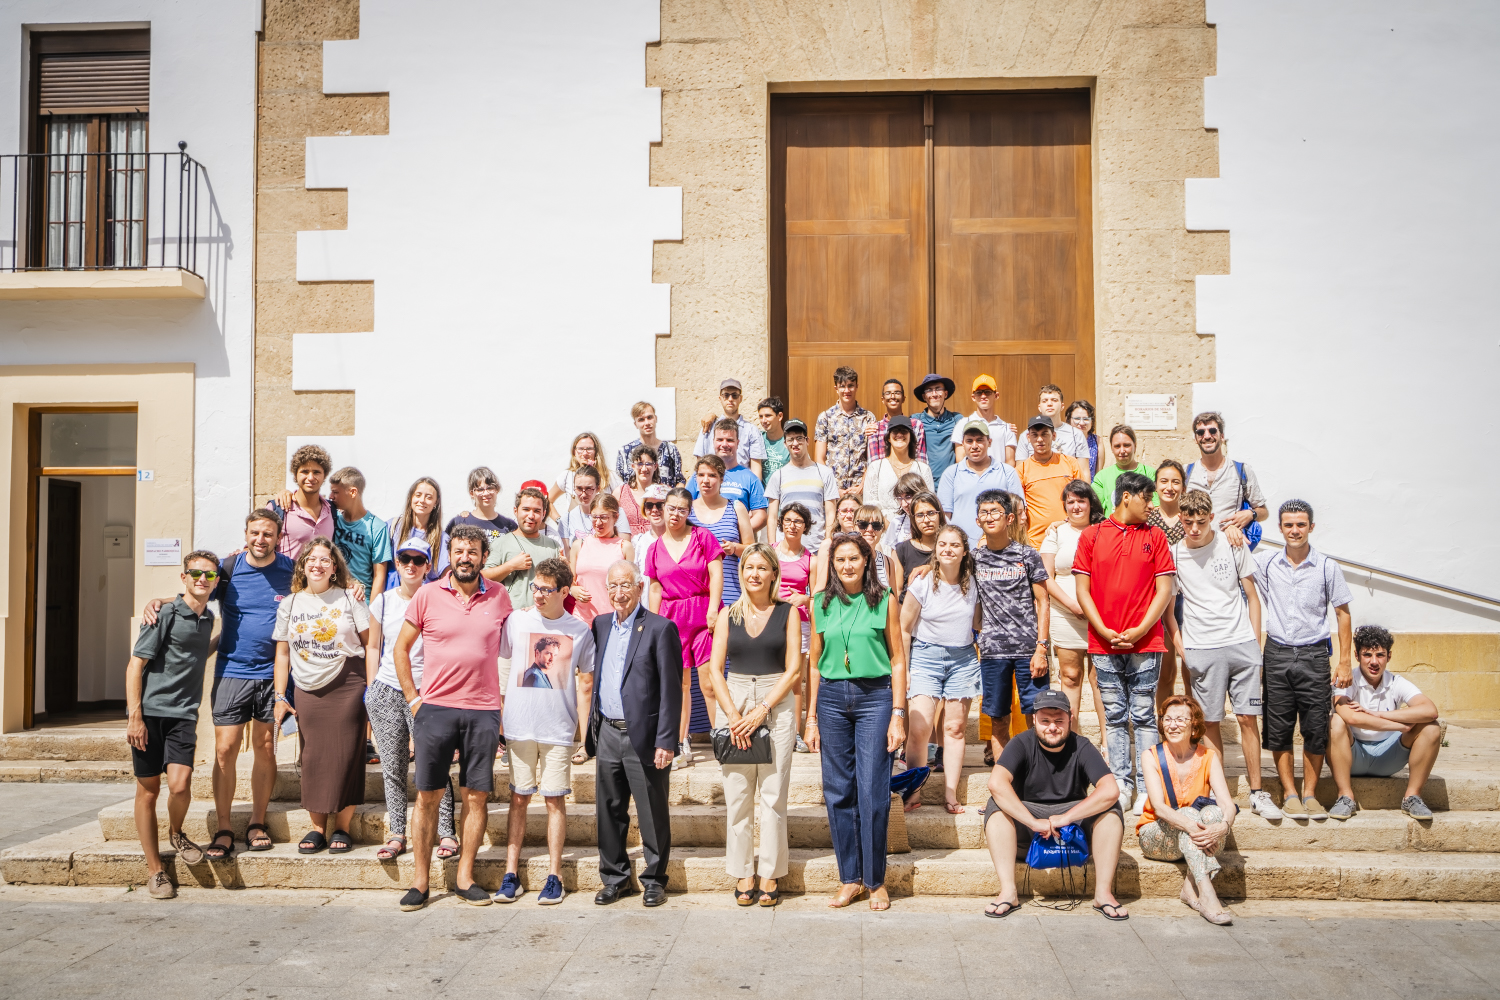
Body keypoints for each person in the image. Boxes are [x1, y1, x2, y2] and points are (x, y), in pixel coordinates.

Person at [139, 510, 291, 859]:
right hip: (231, 672)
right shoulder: (228, 569)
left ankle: (257, 822)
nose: (261, 539)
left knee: (266, 747)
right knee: (225, 750)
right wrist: (159, 601)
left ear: (278, 537)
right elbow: (196, 590)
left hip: (273, 673)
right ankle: (223, 828)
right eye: (255, 533)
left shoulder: (290, 570)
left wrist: (352, 585)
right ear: (246, 534)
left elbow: (322, 584)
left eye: (268, 534)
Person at [392, 526, 514, 911]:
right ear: (450, 554)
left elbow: (516, 645)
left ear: (483, 557)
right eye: (459, 551)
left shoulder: (500, 596)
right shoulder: (428, 594)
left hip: (483, 711)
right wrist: (414, 700)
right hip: (436, 710)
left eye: (472, 551)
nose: (465, 557)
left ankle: (465, 878)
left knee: (476, 796)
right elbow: (400, 649)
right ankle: (420, 882)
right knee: (428, 796)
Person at [806, 532, 907, 911]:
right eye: (840, 559)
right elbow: (814, 664)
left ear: (867, 561)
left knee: (873, 791)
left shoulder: (885, 600)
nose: (847, 565)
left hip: (875, 697)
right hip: (832, 698)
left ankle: (875, 880)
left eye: (854, 558)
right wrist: (811, 717)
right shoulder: (821, 603)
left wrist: (898, 714)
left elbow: (898, 660)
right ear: (831, 565)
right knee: (838, 791)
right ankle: (850, 878)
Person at [1166, 489, 1279, 819]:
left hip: (1241, 643)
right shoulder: (1174, 555)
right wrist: (1182, 649)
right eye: (1188, 522)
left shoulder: (1232, 543)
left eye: (1201, 522)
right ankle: (1220, 795)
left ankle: (1257, 792)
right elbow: (1169, 611)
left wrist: (1255, 645)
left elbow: (1253, 596)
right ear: (1181, 519)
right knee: (1210, 721)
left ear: (1212, 518)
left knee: (1247, 718)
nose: (1194, 529)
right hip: (1201, 648)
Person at [494, 557, 596, 905]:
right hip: (519, 727)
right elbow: (501, 659)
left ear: (565, 592)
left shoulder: (579, 630)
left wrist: (585, 735)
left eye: (546, 590)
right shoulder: (517, 620)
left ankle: (555, 876)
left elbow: (587, 681)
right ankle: (510, 874)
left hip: (557, 730)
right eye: (535, 587)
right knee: (518, 798)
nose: (537, 594)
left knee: (554, 800)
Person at [1072, 471, 1175, 814]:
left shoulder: (1156, 536)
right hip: (1103, 643)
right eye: (1147, 498)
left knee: (1144, 715)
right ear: (1127, 496)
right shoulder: (1091, 535)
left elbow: (1164, 589)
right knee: (1114, 716)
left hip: (1146, 643)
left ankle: (1147, 787)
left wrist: (1142, 628)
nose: (1152, 505)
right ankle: (1121, 783)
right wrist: (1101, 629)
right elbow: (1082, 589)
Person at [704, 544, 801, 906]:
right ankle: (743, 871)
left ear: (774, 573)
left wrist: (763, 708)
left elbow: (794, 668)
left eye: (762, 567)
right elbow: (715, 669)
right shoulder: (728, 614)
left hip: (776, 701)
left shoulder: (788, 613)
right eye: (748, 567)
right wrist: (732, 715)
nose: (754, 574)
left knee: (773, 795)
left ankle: (770, 872)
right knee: (738, 794)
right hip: (736, 698)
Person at [981, 689, 1128, 920]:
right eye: (1045, 721)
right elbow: (996, 783)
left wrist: (1066, 818)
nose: (1052, 727)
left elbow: (1110, 789)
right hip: (1028, 828)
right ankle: (1008, 892)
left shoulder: (1082, 746)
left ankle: (1103, 893)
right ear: (1034, 720)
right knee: (996, 805)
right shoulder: (1020, 743)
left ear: (1070, 718)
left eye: (1059, 721)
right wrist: (1033, 822)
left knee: (1111, 807)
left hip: (1072, 829)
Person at [123, 549, 220, 898]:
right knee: (148, 791)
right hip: (149, 714)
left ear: (216, 582)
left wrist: (228, 640)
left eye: (209, 575)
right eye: (195, 573)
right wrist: (135, 717)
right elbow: (135, 665)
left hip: (183, 714)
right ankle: (156, 871)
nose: (202, 579)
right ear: (184, 577)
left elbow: (196, 651)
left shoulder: (208, 618)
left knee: (180, 786)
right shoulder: (163, 613)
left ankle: (176, 833)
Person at [587, 560, 683, 907]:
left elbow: (671, 689)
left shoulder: (660, 628)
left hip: (644, 735)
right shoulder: (600, 625)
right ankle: (615, 879)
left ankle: (655, 880)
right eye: (613, 586)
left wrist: (666, 740)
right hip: (608, 732)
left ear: (640, 588)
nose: (619, 593)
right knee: (609, 810)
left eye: (626, 585)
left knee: (651, 811)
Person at [1254, 499, 1353, 821]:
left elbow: (1343, 614)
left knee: (1315, 727)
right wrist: (1236, 529)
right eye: (1288, 525)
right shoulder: (1266, 563)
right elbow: (1235, 560)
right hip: (1277, 653)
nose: (1294, 530)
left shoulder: (1326, 567)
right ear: (1280, 528)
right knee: (1278, 727)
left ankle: (1310, 793)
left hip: (1314, 655)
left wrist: (1345, 662)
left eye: (1300, 524)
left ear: (1311, 527)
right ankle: (1290, 794)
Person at [272, 538, 371, 856]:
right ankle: (317, 828)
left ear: (334, 568)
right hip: (306, 687)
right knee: (312, 756)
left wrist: (372, 686)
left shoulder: (350, 597)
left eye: (325, 560)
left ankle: (342, 827)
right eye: (311, 559)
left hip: (348, 683)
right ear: (302, 565)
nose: (317, 564)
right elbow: (282, 654)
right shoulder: (290, 604)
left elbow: (371, 643)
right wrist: (279, 696)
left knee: (348, 754)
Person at [365, 536, 458, 863]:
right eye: (405, 559)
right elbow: (373, 646)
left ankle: (446, 831)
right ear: (397, 562)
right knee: (392, 766)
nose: (411, 565)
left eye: (418, 560)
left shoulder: (438, 598)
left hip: (426, 691)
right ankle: (397, 832)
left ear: (428, 566)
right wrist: (371, 689)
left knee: (435, 763)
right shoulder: (384, 601)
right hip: (387, 689)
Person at [1137, 695, 1238, 925]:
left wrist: (1223, 827)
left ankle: (1189, 887)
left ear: (1194, 725)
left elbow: (1227, 803)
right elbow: (1159, 808)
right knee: (1189, 814)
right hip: (1157, 836)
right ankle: (1207, 893)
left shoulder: (1208, 757)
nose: (1172, 725)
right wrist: (1194, 827)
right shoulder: (1150, 756)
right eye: (1167, 719)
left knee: (1215, 814)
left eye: (1180, 720)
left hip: (1194, 838)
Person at [900, 524, 979, 814]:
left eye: (954, 545)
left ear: (965, 551)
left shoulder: (974, 583)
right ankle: (913, 791)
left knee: (955, 729)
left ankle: (950, 794)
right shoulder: (922, 582)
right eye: (942, 544)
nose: (947, 549)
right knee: (920, 727)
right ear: (935, 549)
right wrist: (905, 669)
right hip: (924, 656)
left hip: (963, 659)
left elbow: (979, 622)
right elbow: (903, 627)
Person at [646, 485, 725, 766]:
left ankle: (723, 740)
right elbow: (655, 588)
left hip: (703, 615)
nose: (676, 514)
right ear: (663, 509)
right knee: (678, 684)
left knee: (709, 682)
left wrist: (714, 609)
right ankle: (681, 743)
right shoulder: (654, 548)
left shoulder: (703, 537)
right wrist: (652, 625)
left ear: (689, 511)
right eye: (671, 508)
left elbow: (716, 574)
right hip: (671, 619)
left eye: (682, 509)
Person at [1328, 626, 1441, 821]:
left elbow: (1430, 711)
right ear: (1356, 655)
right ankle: (1345, 797)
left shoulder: (1396, 682)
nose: (1374, 661)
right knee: (1335, 721)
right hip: (1353, 756)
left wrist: (1377, 714)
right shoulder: (1346, 680)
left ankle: (1412, 797)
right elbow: (1351, 717)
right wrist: (1400, 725)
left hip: (1388, 757)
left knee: (1431, 728)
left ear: (1389, 656)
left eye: (1380, 655)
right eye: (1367, 655)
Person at [971, 491, 1050, 765]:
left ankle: (1037, 775)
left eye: (995, 511)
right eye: (984, 512)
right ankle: (1004, 778)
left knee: (1037, 714)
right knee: (998, 718)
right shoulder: (974, 558)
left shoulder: (1028, 555)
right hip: (992, 651)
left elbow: (1043, 601)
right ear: (978, 520)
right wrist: (924, 569)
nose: (989, 517)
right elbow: (943, 565)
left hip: (1028, 649)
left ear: (1010, 518)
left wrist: (1042, 648)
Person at [1040, 481, 1106, 735]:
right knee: (1069, 676)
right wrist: (1073, 605)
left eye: (1081, 501)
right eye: (1071, 501)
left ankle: (1108, 744)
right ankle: (1071, 743)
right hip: (1065, 614)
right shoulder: (1056, 533)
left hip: (1100, 615)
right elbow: (1046, 578)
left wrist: (1089, 608)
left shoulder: (1104, 530)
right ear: (1064, 505)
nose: (1076, 506)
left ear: (1091, 503)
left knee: (1101, 679)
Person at [937, 417, 1023, 550]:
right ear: (963, 444)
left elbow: (1018, 512)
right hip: (961, 550)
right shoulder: (951, 473)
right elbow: (944, 516)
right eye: (969, 441)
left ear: (989, 442)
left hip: (1000, 550)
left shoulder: (1007, 472)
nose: (974, 446)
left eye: (979, 440)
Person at [1184, 411, 1268, 542]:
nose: (1207, 436)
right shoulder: (1186, 472)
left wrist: (1250, 514)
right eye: (1200, 432)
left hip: (1230, 546)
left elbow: (1263, 511)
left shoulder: (1241, 470)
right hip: (1196, 547)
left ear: (1222, 436)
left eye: (1212, 431)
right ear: (1195, 439)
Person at [773, 503, 815, 753]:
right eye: (788, 520)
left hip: (799, 623)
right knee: (772, 675)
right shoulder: (770, 552)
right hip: (772, 620)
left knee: (796, 680)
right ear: (781, 523)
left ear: (805, 526)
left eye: (798, 521)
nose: (792, 525)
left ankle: (794, 734)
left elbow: (818, 596)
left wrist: (805, 598)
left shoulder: (810, 559)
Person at [688, 455, 754, 610]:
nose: (706, 480)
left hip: (729, 593)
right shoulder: (686, 510)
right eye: (701, 475)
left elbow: (752, 550)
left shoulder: (736, 507)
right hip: (694, 596)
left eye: (712, 475)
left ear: (722, 479)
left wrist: (734, 548)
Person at [1148, 458, 1188, 706]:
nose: (1169, 487)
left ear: (1183, 486)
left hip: (1190, 597)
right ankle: (1165, 721)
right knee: (1165, 670)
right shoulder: (1147, 519)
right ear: (1156, 485)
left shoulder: (1190, 518)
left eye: (1176, 482)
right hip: (1159, 596)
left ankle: (1194, 721)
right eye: (1164, 481)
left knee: (1191, 667)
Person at [1014, 414, 1085, 548]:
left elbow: (1082, 500)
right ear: (1028, 438)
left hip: (1068, 537)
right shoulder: (1021, 470)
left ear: (1054, 436)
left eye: (1044, 434)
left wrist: (1067, 523)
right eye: (1035, 435)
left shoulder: (1070, 463)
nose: (1040, 439)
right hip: (1035, 542)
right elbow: (1018, 510)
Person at [764, 418, 838, 546]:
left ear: (807, 441)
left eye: (799, 438)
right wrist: (772, 546)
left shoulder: (825, 473)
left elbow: (831, 513)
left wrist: (827, 543)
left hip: (816, 548)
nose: (795, 443)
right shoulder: (778, 476)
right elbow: (772, 517)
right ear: (785, 444)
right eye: (790, 439)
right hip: (786, 549)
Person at [687, 421, 769, 536]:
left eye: (730, 440)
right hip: (700, 542)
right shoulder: (699, 476)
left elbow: (761, 516)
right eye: (720, 439)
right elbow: (684, 506)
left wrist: (735, 532)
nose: (724, 444)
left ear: (737, 443)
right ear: (713, 441)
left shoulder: (750, 478)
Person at [491, 486, 564, 611]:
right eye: (526, 509)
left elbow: (562, 587)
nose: (531, 515)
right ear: (515, 511)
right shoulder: (500, 544)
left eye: (537, 511)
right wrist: (510, 566)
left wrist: (565, 570)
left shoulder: (553, 545)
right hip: (511, 616)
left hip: (545, 617)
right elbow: (483, 579)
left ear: (543, 514)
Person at [569, 492, 635, 625]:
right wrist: (572, 590)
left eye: (604, 517)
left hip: (612, 619)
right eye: (594, 517)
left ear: (615, 517)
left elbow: (630, 587)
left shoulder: (624, 547)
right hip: (581, 618)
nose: (598, 522)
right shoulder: (579, 545)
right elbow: (571, 580)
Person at [814, 365, 876, 499]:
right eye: (842, 386)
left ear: (857, 386)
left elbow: (873, 457)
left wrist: (862, 486)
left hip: (861, 490)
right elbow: (819, 458)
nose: (847, 390)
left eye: (850, 385)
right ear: (836, 388)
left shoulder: (868, 418)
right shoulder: (825, 417)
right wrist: (832, 488)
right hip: (833, 490)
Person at [329, 466, 390, 600]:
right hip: (332, 599)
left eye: (335, 492)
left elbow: (379, 575)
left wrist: (372, 609)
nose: (330, 496)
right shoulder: (332, 518)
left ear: (353, 492)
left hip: (360, 600)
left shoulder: (376, 527)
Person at [862, 415, 933, 524]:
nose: (899, 434)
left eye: (904, 431)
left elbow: (929, 504)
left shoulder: (923, 469)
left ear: (911, 437)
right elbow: (869, 506)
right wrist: (891, 529)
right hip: (882, 529)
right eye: (895, 431)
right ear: (888, 437)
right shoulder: (875, 467)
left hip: (916, 527)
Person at [695, 378, 767, 480]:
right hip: (712, 485)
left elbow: (756, 470)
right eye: (726, 395)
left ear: (740, 398)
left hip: (741, 485)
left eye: (734, 395)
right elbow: (699, 465)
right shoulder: (708, 427)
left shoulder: (751, 430)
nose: (730, 399)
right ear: (720, 398)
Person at [274, 444, 335, 559]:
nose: (310, 478)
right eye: (305, 472)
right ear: (295, 475)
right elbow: (257, 545)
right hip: (286, 571)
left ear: (325, 475)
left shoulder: (332, 510)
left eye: (316, 472)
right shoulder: (279, 507)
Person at [446, 467, 519, 561]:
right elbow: (446, 556)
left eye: (490, 488)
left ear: (497, 490)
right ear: (472, 493)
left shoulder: (509, 525)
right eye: (480, 490)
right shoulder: (459, 522)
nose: (486, 493)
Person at [557, 465, 631, 555]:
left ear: (598, 488)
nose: (583, 494)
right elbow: (567, 555)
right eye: (579, 488)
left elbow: (624, 550)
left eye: (588, 489)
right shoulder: (567, 519)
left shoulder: (616, 512)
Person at [388, 477, 449, 583]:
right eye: (418, 495)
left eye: (428, 497)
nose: (422, 500)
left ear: (436, 502)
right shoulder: (392, 526)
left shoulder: (442, 539)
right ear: (411, 497)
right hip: (393, 592)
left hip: (424, 594)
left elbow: (446, 580)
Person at [949, 374, 1017, 467]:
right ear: (973, 397)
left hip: (998, 475)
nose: (983, 396)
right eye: (979, 393)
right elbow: (960, 460)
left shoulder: (1006, 428)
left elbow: (1010, 462)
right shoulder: (963, 424)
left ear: (996, 395)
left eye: (988, 392)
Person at [1016, 384, 1090, 466]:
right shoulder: (1027, 435)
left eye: (1054, 400)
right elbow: (1021, 469)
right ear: (1039, 407)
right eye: (1045, 401)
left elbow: (1083, 470)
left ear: (1062, 406)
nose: (1049, 404)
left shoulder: (1076, 434)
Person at [616, 400, 685, 488]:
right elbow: (619, 484)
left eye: (649, 417)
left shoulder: (670, 449)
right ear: (635, 424)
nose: (647, 423)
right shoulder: (625, 452)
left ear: (655, 418)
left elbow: (679, 481)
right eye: (641, 420)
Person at [894, 490, 945, 605]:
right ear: (913, 519)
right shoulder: (903, 549)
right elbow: (898, 589)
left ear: (939, 514)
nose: (926, 520)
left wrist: (932, 568)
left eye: (931, 513)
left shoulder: (949, 547)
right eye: (920, 515)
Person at [1092, 425, 1154, 518]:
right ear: (1112, 448)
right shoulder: (1101, 477)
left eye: (1126, 445)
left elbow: (1156, 507)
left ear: (1135, 445)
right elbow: (1095, 511)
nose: (1122, 450)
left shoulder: (1150, 474)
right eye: (1117, 446)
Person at [911, 373, 962, 486]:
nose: (934, 394)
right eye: (929, 390)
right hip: (923, 485)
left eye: (938, 389)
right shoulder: (915, 421)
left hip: (950, 484)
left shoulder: (957, 420)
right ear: (924, 396)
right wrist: (872, 427)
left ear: (945, 394)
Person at [867, 378, 928, 463]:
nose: (892, 397)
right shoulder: (875, 428)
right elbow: (873, 465)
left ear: (903, 398)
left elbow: (921, 461)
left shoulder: (915, 425)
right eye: (888, 393)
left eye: (897, 393)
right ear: (883, 399)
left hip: (911, 471)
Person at [550, 432, 612, 515]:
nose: (585, 453)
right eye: (580, 449)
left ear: (596, 451)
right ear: (574, 452)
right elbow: (548, 501)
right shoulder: (567, 476)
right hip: (575, 523)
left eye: (589, 449)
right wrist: (559, 520)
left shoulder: (609, 476)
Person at [853, 504, 902, 594]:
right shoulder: (843, 559)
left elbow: (893, 598)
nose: (870, 529)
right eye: (863, 524)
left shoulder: (888, 562)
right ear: (853, 527)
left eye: (876, 525)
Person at [617, 444, 660, 537]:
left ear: (655, 466)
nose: (644, 469)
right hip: (629, 544)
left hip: (655, 543)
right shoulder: (620, 492)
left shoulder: (663, 492)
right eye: (640, 464)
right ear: (633, 466)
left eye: (648, 464)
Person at [633, 483, 670, 583]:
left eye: (660, 505)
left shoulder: (678, 540)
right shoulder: (639, 542)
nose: (654, 510)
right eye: (649, 505)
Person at [756, 396, 792, 484]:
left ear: (780, 416)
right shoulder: (757, 438)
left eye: (768, 416)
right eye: (761, 416)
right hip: (762, 492)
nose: (763, 420)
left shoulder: (791, 442)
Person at [1065, 400, 1100, 479]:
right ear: (1069, 420)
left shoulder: (1097, 441)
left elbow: (1098, 473)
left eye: (1086, 419)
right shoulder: (1064, 440)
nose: (1081, 423)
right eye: (1077, 419)